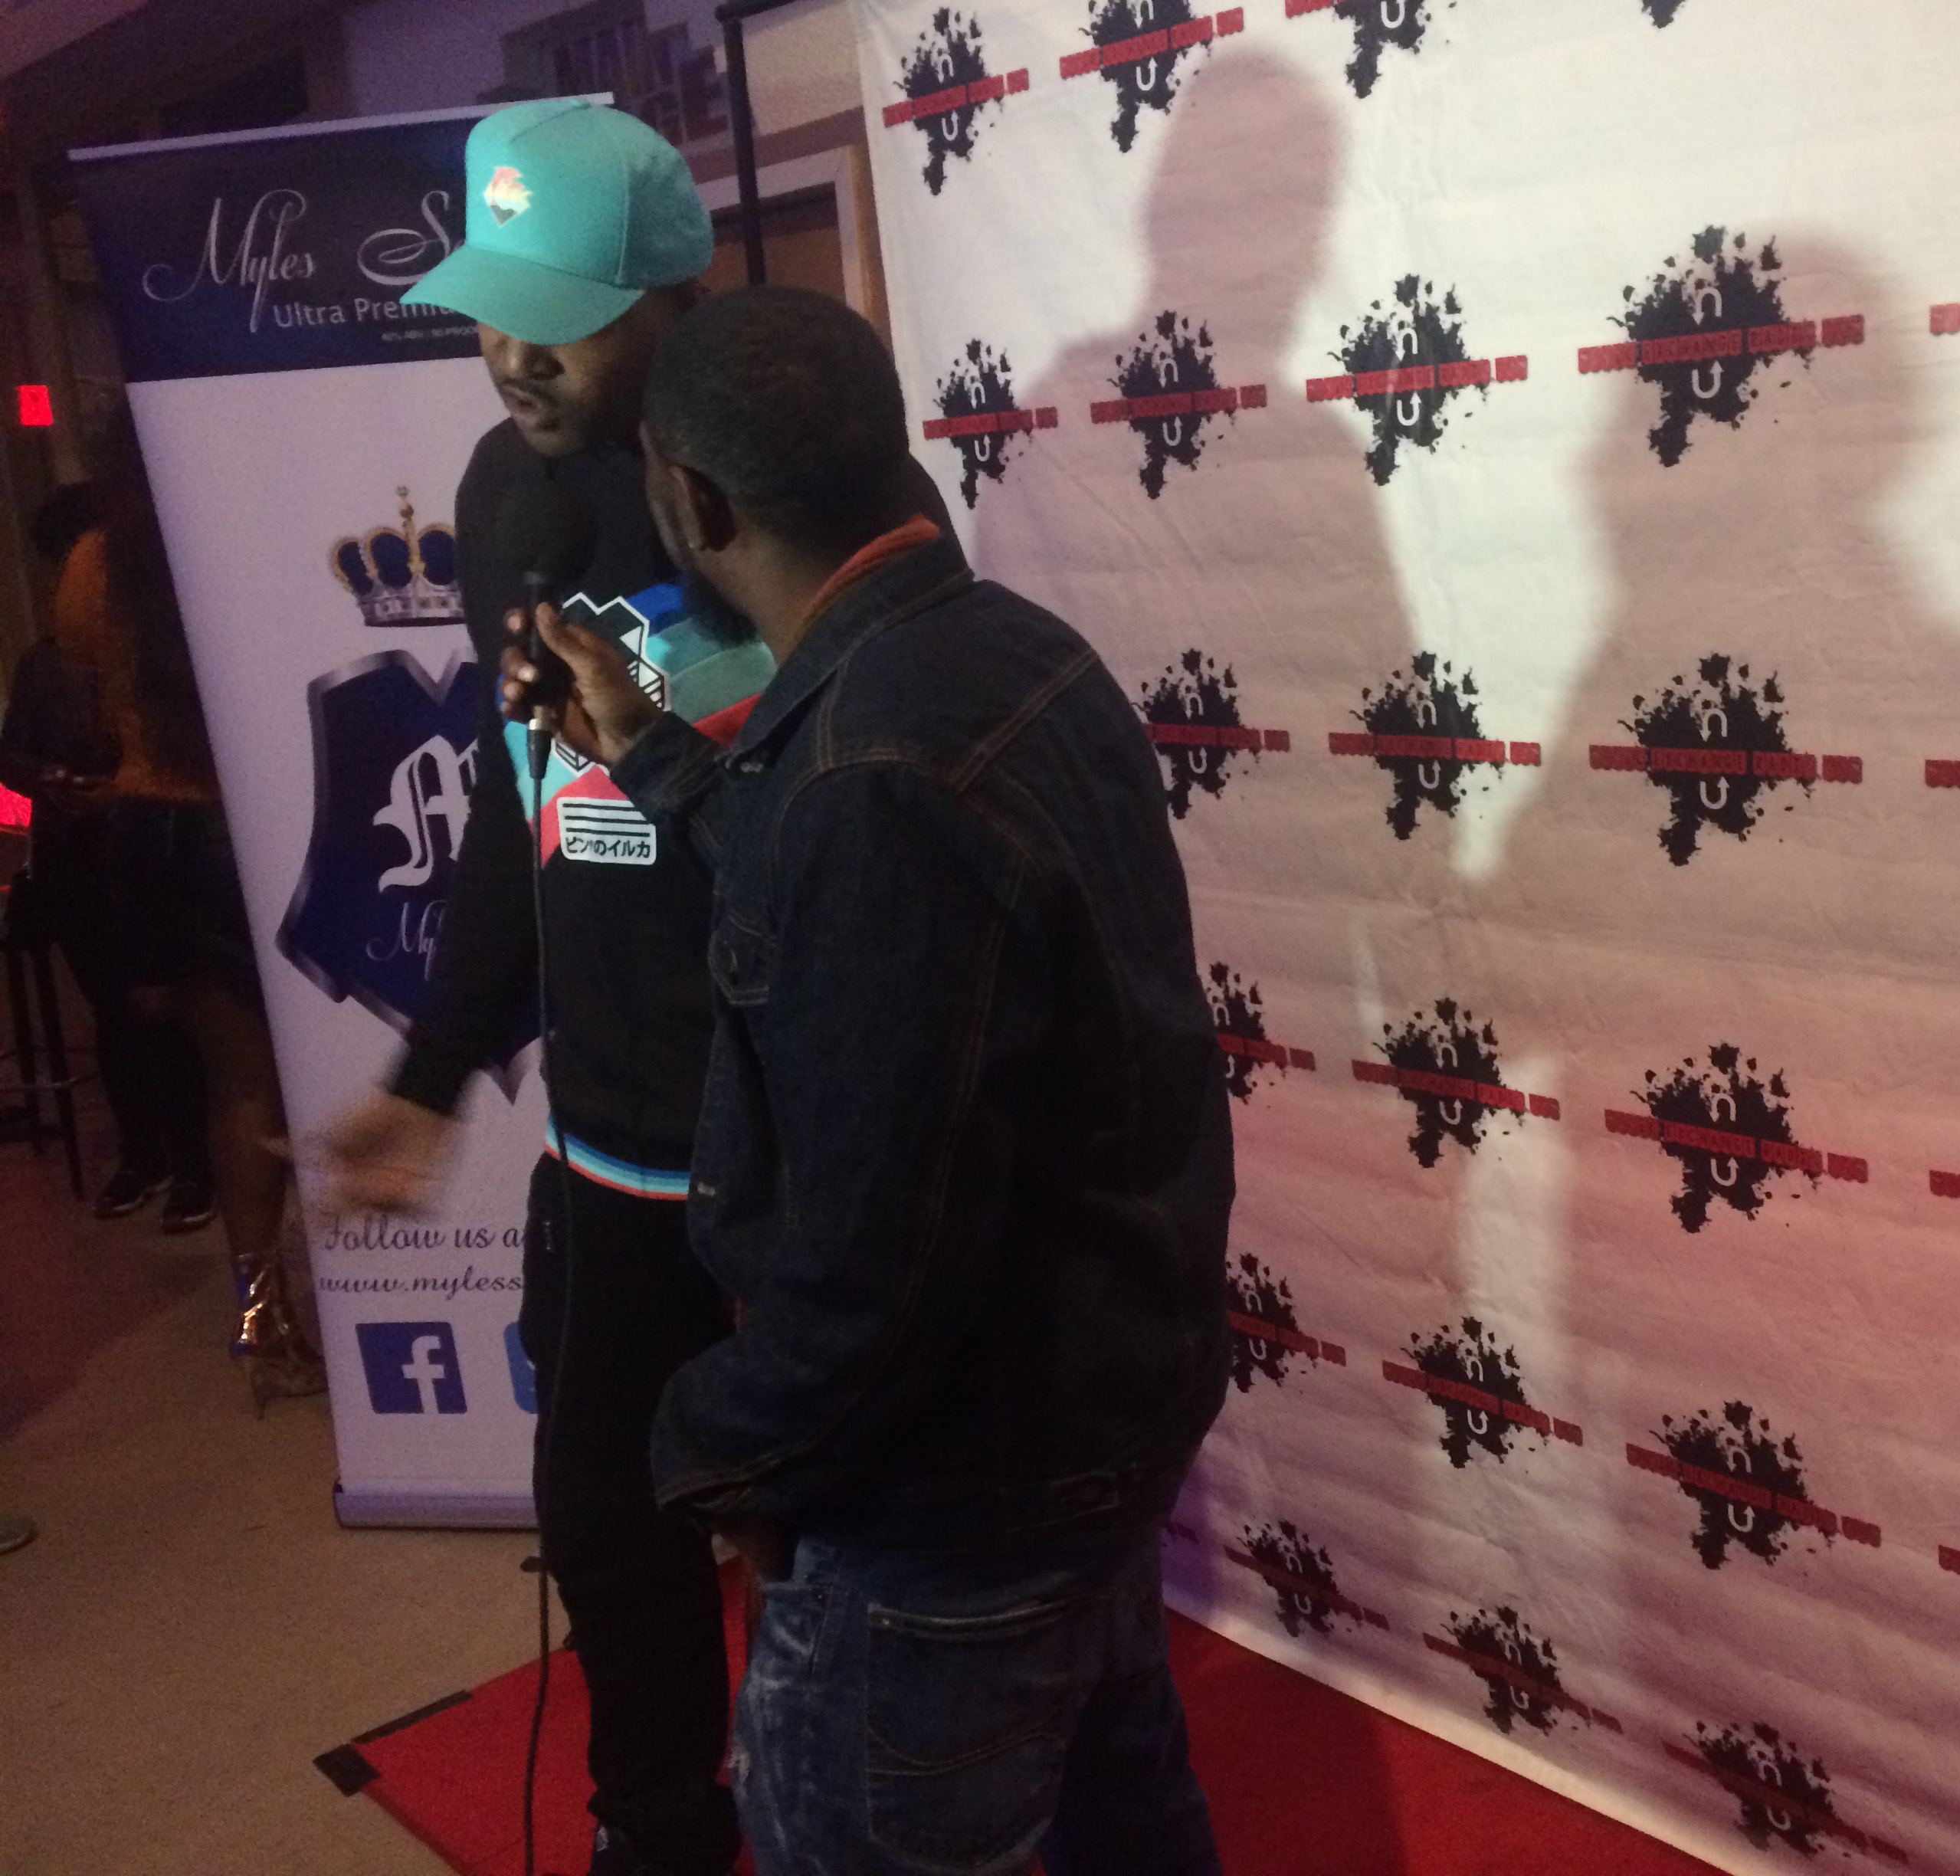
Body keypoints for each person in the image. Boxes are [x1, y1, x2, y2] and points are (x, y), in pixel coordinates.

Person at [512, 285, 1234, 1876]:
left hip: (952, 1513)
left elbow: (871, 1276)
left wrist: (710, 1444)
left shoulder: (870, 771)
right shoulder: (1014, 656)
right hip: (1095, 1431)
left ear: (693, 503)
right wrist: (651, 748)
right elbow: (866, 907)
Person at [320, 100, 742, 1876]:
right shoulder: (504, 493)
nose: (511, 352)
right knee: (605, 1523)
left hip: (796, 1138)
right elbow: (523, 797)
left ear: (667, 300)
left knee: (827, 1532)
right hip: (611, 1138)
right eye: (491, 304)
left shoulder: (773, 479)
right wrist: (429, 1071)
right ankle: (663, 1831)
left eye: (557, 314)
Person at [56, 408, 322, 1404]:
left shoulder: (96, 557)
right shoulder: (255, 530)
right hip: (249, 825)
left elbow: (82, 663)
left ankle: (264, 1319)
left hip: (148, 828)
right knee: (326, 1072)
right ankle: (378, 1303)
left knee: (239, 1087)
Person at [0, 479, 218, 1231]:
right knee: (113, 1016)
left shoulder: (163, 661)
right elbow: (12, 754)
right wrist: (50, 780)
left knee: (172, 1011)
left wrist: (119, 787)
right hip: (77, 861)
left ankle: (195, 1166)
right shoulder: (41, 666)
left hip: (151, 849)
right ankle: (141, 1154)